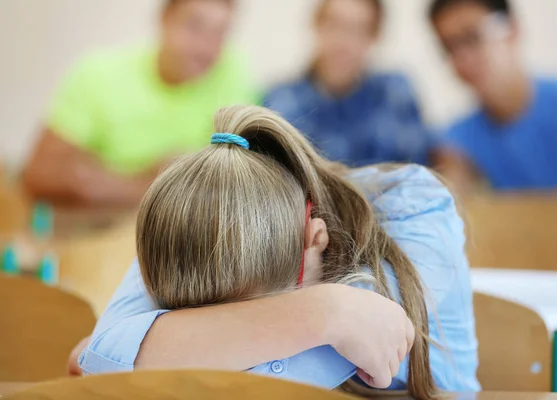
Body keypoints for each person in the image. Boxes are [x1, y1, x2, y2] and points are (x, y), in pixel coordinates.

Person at [76, 106, 479, 397]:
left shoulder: (414, 209)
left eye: (254, 308)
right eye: (204, 316)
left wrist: (168, 343)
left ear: (316, 238)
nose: (231, 322)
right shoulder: (194, 224)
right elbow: (105, 355)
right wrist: (326, 311)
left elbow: (118, 366)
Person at [23, 0, 256, 208]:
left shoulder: (235, 77)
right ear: (164, 18)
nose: (206, 48)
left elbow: (240, 186)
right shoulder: (98, 74)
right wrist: (153, 182)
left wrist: (110, 182)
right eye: (194, 26)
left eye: (220, 33)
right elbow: (39, 174)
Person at [430, 0, 557, 200]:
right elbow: (450, 205)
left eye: (472, 37)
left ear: (512, 29)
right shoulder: (457, 138)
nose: (463, 57)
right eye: (449, 47)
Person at [264, 0, 434, 168]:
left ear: (374, 37)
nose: (343, 41)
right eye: (334, 25)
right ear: (316, 24)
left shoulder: (396, 94)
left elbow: (417, 171)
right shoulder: (281, 101)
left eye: (358, 30)